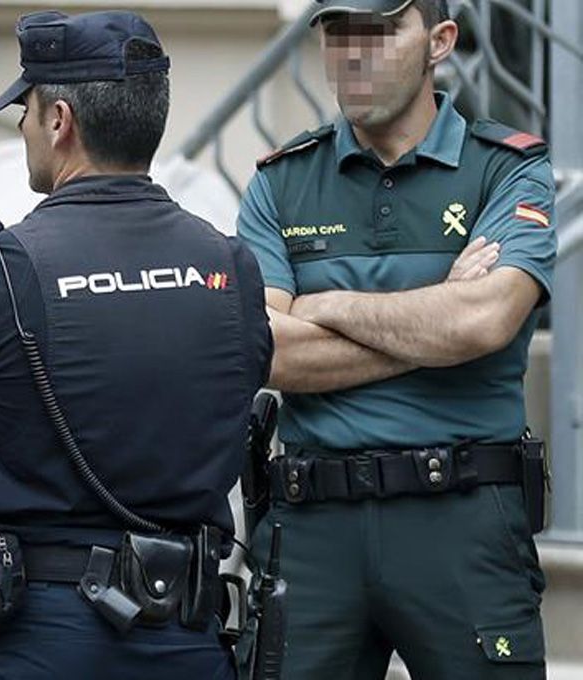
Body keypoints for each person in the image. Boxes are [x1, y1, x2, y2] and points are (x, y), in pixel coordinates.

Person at [0, 9, 272, 680]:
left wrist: (16, 459)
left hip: (43, 637)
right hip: (188, 634)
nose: (23, 128)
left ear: (60, 120)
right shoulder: (230, 269)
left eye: (26, 111)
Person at [236, 0, 556, 677]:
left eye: (379, 32)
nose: (355, 52)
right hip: (312, 526)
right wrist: (437, 309)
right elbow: (267, 350)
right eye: (338, 33)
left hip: (461, 518)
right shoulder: (281, 181)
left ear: (440, 42)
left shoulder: (507, 169)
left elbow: (482, 323)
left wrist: (324, 304)